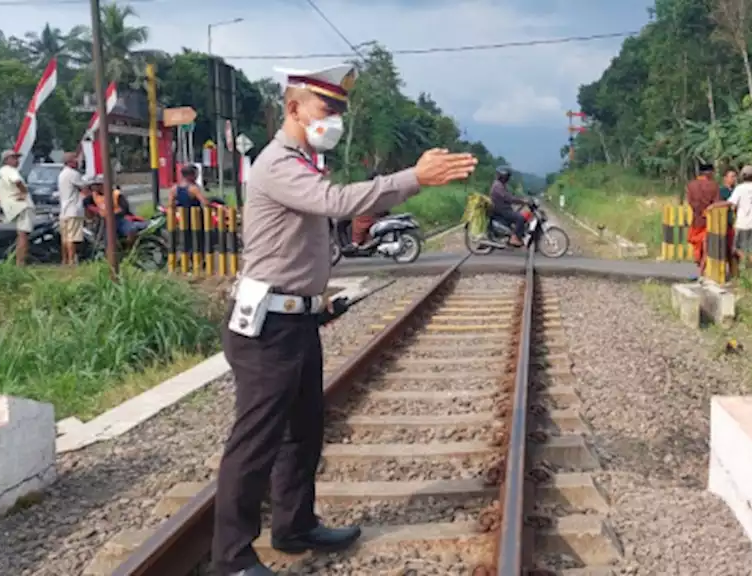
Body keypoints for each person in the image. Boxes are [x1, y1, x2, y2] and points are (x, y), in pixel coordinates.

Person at [213, 63, 477, 576]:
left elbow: (307, 246)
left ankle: (294, 525)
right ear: (293, 108)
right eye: (326, 107)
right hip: (267, 328)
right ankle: (231, 558)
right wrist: (412, 178)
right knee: (255, 442)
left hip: (295, 321)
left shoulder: (304, 163)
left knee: (303, 431)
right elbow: (336, 204)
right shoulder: (277, 164)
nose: (334, 118)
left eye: (339, 110)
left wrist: (317, 302)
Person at [0, 149, 33, 266]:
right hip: (21, 205)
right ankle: (20, 262)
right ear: (7, 160)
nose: (17, 161)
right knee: (23, 234)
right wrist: (24, 192)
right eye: (14, 158)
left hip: (9, 207)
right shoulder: (11, 171)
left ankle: (18, 259)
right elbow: (18, 182)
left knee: (20, 234)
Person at [685, 162, 719, 274]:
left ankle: (697, 261)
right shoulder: (713, 186)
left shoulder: (691, 185)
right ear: (709, 173)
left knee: (695, 241)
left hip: (696, 220)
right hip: (708, 220)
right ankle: (702, 268)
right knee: (706, 243)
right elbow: (716, 204)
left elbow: (690, 202)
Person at [727, 165, 752, 265]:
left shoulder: (739, 188)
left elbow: (732, 204)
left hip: (742, 222)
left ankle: (744, 263)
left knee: (738, 247)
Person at [489, 165, 528, 246]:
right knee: (520, 218)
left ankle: (514, 234)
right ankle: (514, 238)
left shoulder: (501, 185)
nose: (508, 178)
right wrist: (521, 201)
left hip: (504, 208)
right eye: (507, 176)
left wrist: (521, 200)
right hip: (502, 210)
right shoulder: (497, 186)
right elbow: (508, 198)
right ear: (503, 176)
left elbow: (509, 196)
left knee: (519, 214)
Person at [58, 151, 84, 266]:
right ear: (70, 162)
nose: (78, 162)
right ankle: (72, 261)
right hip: (73, 209)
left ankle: (65, 260)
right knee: (72, 238)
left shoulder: (62, 174)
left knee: (65, 238)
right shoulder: (73, 174)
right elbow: (84, 188)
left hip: (64, 210)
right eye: (75, 159)